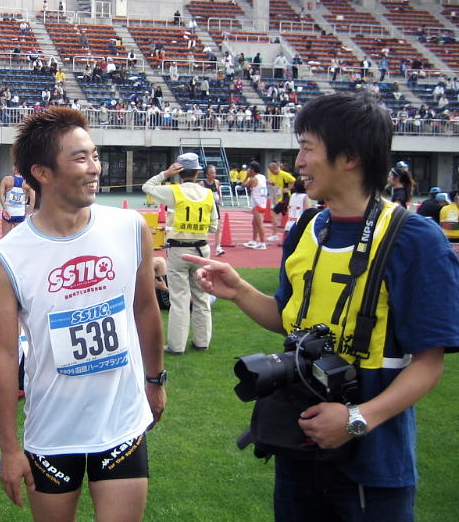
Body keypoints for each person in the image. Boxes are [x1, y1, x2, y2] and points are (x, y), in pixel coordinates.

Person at [187, 91, 459, 521]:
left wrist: (356, 418)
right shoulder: (307, 228)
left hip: (373, 467)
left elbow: (429, 363)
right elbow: (289, 321)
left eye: (307, 148)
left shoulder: (415, 239)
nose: (298, 162)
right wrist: (240, 291)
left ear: (350, 157)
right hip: (297, 447)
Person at [0, 107, 165, 522]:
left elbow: (144, 307)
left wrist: (155, 380)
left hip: (121, 422)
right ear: (42, 173)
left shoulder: (130, 227)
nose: (95, 168)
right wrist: (8, 447)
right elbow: (4, 354)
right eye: (80, 158)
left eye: (95, 155)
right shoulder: (7, 256)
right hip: (52, 430)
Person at [142, 153, 217, 354]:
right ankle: (202, 342)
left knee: (179, 299)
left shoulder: (174, 191)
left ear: (179, 171)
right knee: (201, 297)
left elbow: (147, 187)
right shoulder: (208, 194)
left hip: (179, 250)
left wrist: (165, 174)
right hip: (201, 249)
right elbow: (213, 226)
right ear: (198, 172)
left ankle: (177, 346)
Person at [0, 167, 35, 237]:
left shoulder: (7, 179)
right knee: (19, 238)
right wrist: (28, 214)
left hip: (8, 212)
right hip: (20, 213)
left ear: (14, 169)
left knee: (5, 237)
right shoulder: (28, 182)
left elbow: (0, 194)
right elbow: (32, 201)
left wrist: (5, 208)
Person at [241, 161, 268, 249]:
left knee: (259, 224)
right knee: (254, 223)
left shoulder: (253, 179)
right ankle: (254, 240)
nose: (248, 170)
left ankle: (262, 243)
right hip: (262, 202)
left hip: (258, 204)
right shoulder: (262, 177)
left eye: (249, 169)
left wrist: (247, 176)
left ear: (252, 170)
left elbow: (243, 185)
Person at [199, 164, 225, 256]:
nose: (214, 174)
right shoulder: (202, 184)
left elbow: (218, 192)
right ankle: (202, 245)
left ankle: (218, 247)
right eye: (212, 173)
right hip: (206, 208)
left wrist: (220, 199)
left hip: (215, 207)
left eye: (214, 172)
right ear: (207, 174)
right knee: (204, 227)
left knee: (218, 227)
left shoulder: (216, 182)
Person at [267, 161, 296, 241]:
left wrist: (288, 189)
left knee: (274, 213)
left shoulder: (284, 174)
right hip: (277, 196)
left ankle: (275, 234)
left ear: (275, 168)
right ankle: (284, 234)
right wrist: (271, 183)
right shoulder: (271, 173)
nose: (271, 172)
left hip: (284, 197)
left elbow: (294, 181)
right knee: (281, 215)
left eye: (272, 171)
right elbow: (274, 182)